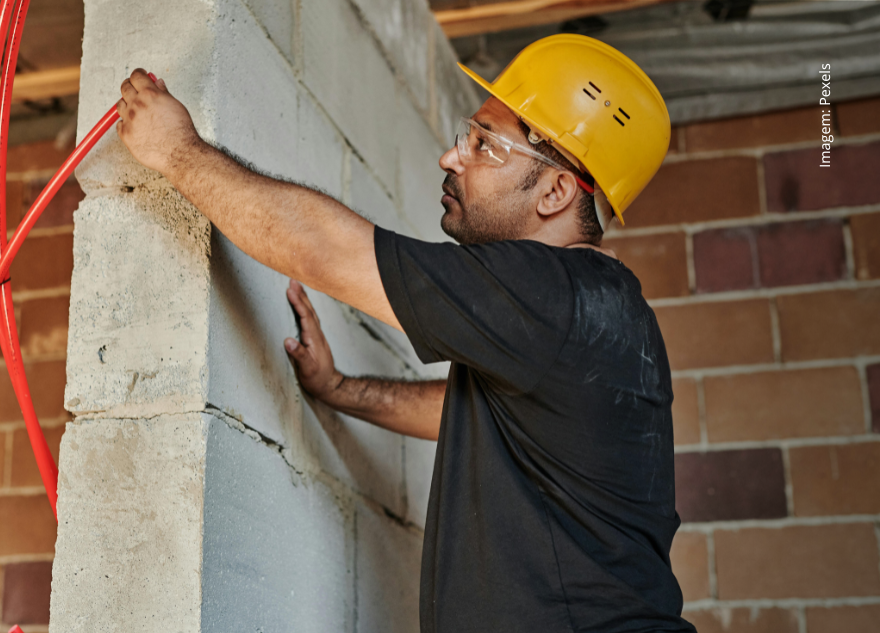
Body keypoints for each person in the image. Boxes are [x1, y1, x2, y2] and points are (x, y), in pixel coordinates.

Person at [117, 32, 695, 633]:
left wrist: (177, 151)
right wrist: (341, 389)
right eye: (464, 137)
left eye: (485, 146)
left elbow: (325, 251)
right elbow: (476, 415)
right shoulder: (599, 312)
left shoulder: (550, 291)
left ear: (555, 191)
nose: (453, 158)